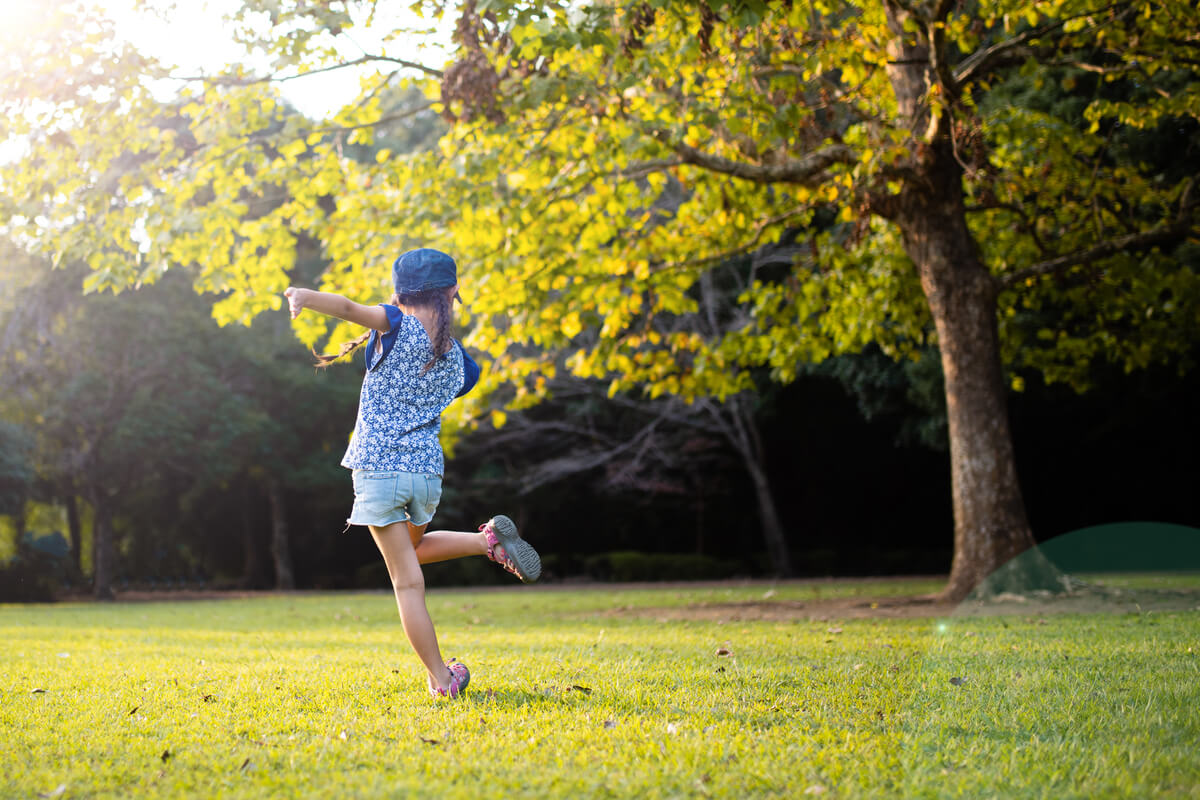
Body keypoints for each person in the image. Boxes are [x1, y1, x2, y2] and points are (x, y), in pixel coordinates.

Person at [284, 248, 541, 699]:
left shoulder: (394, 324)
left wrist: (305, 295)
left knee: (406, 580)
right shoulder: (463, 363)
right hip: (425, 474)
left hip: (379, 470)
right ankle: (488, 543)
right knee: (413, 550)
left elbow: (346, 308)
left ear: (398, 294)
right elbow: (458, 378)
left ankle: (442, 680)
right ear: (453, 293)